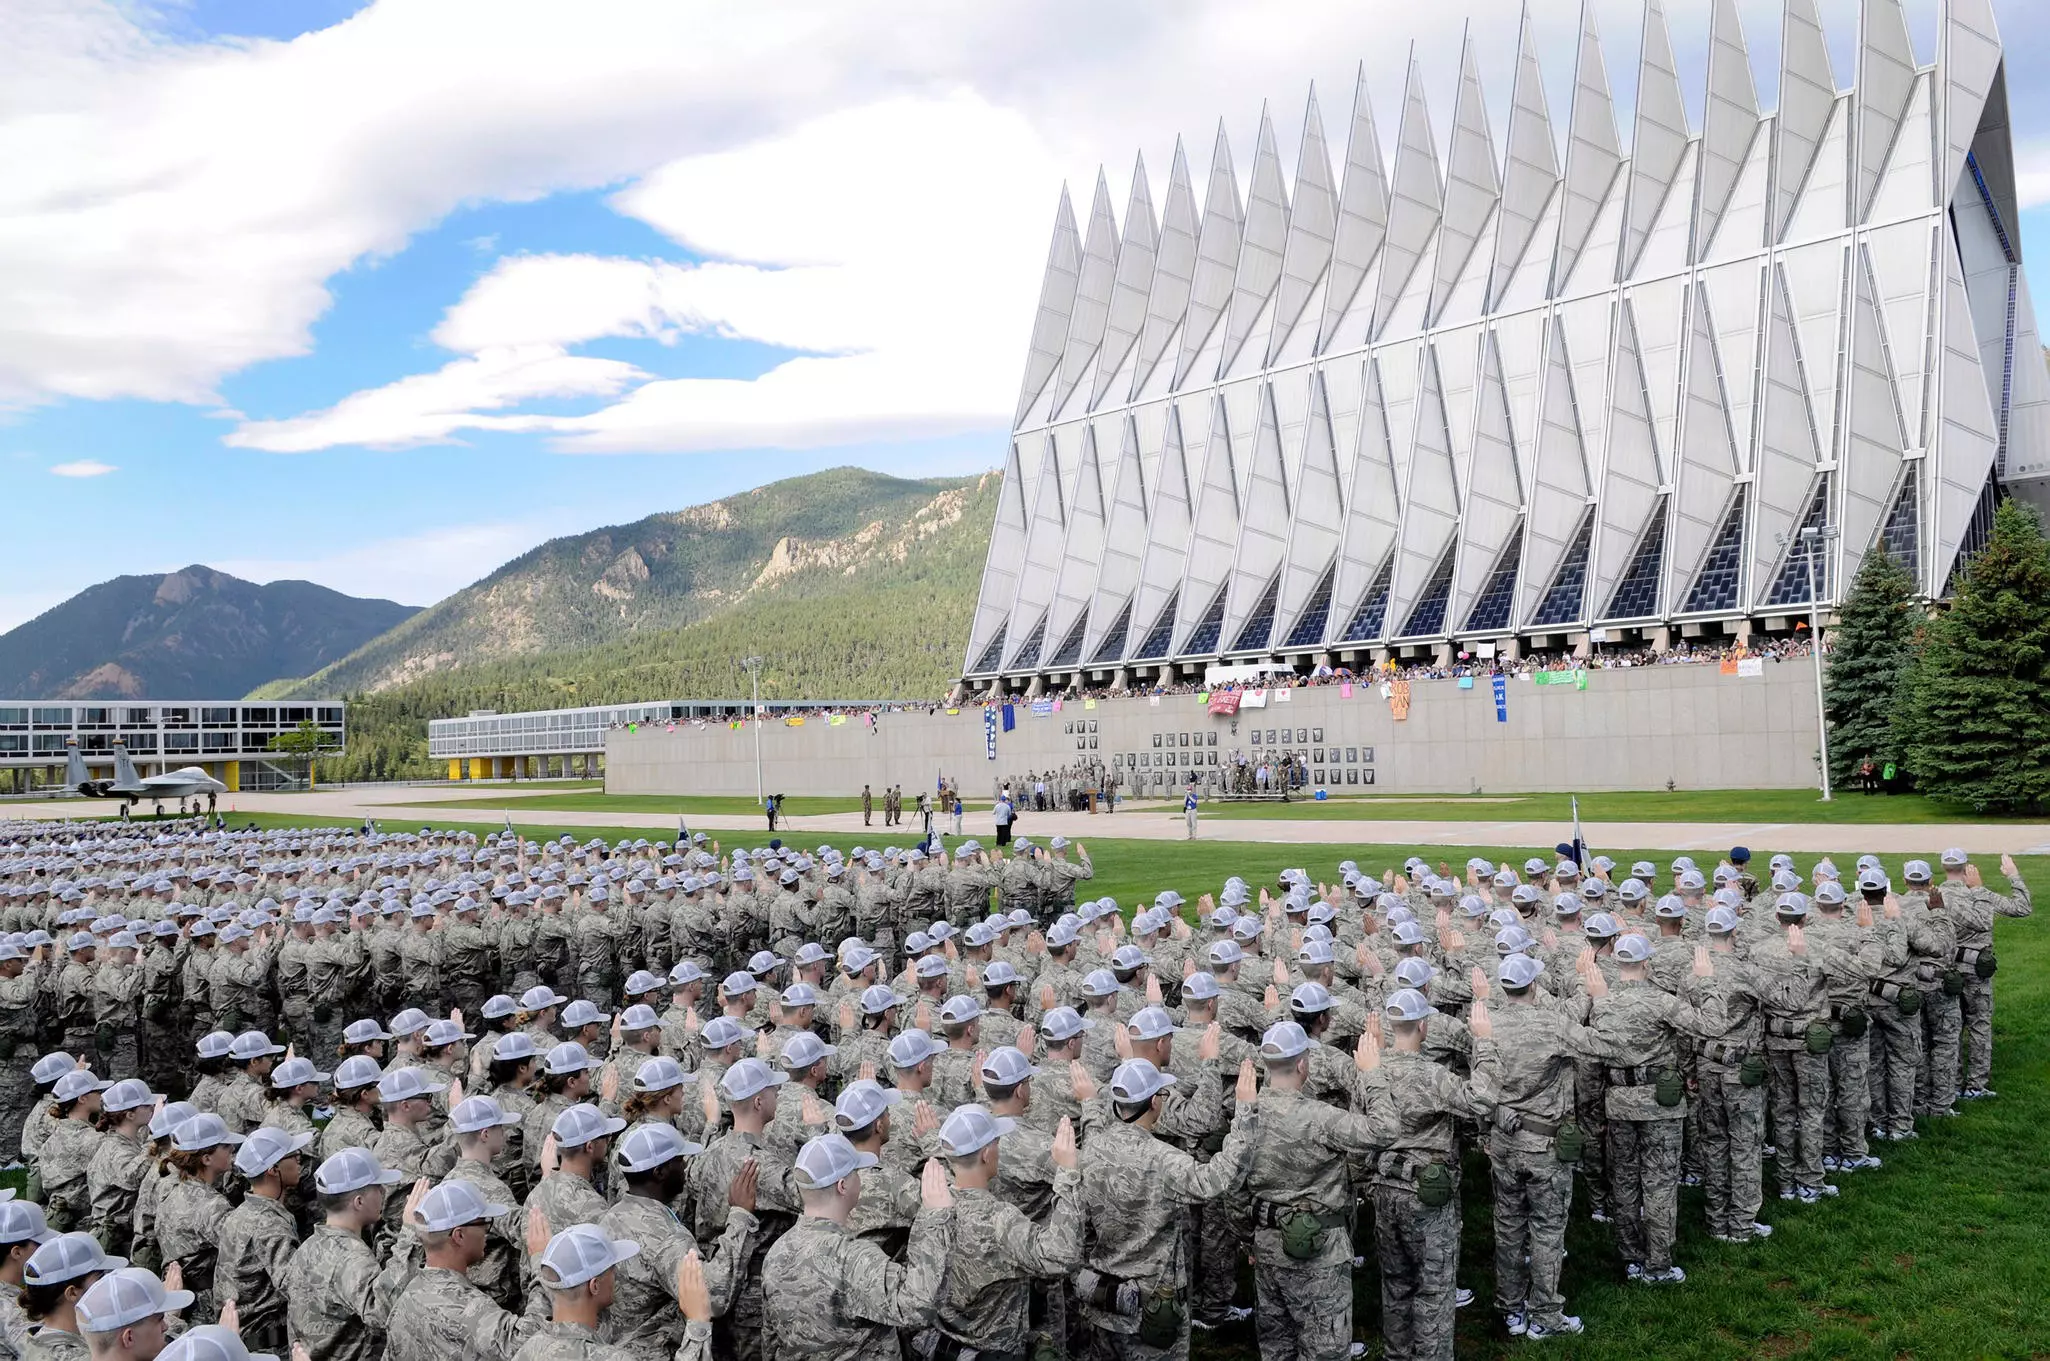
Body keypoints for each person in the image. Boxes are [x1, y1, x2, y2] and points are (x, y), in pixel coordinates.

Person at [758, 1132, 955, 1360]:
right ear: (843, 1186)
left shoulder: (776, 1253)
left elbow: (771, 1341)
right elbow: (917, 1307)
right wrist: (935, 1218)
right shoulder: (853, 1257)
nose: (860, 1178)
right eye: (856, 1173)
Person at [385, 1181, 541, 1361]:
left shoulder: (405, 1300)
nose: (486, 1231)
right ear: (459, 1236)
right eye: (484, 1222)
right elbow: (528, 1345)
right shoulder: (466, 1305)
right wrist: (539, 1262)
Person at [214, 1127, 310, 1353]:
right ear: (272, 1169)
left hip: (246, 1340)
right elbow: (296, 1287)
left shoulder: (245, 1212)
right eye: (293, 1156)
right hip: (267, 1346)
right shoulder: (269, 1224)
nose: (299, 1161)